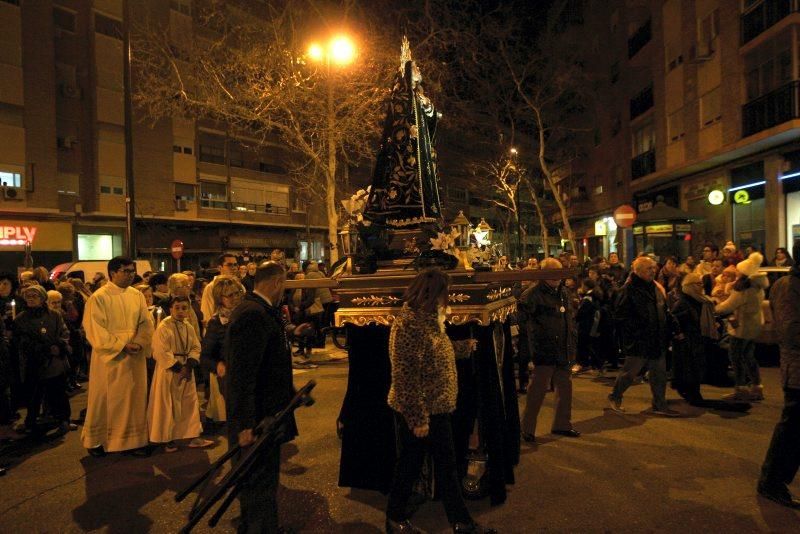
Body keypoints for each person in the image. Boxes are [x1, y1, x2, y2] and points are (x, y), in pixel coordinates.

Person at [385, 268, 492, 534]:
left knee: (425, 465)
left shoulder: (428, 318)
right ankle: (457, 522)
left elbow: (434, 353)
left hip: (434, 406)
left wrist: (462, 348)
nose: (449, 299)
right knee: (426, 466)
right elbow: (406, 376)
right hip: (424, 410)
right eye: (446, 293)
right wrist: (418, 419)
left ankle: (404, 516)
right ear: (433, 294)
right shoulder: (410, 324)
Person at [226, 261, 298, 533]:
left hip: (267, 411)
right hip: (258, 417)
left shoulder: (260, 310)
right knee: (259, 479)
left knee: (261, 477)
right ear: (277, 282)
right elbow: (242, 375)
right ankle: (260, 528)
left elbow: (268, 364)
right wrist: (245, 423)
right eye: (284, 284)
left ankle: (255, 525)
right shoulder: (252, 314)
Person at [81, 257, 154, 457]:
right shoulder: (99, 297)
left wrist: (140, 342)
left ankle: (133, 440)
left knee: (134, 398)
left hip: (135, 354)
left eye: (132, 271)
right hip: (111, 358)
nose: (131, 275)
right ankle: (97, 440)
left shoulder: (136, 295)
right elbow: (94, 328)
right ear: (113, 273)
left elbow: (146, 322)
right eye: (126, 271)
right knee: (105, 398)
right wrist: (121, 345)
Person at [608, 257, 682, 416]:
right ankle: (615, 396)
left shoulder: (655, 288)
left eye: (654, 268)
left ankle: (659, 405)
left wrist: (675, 328)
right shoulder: (629, 290)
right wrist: (633, 333)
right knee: (629, 374)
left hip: (657, 339)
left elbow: (664, 311)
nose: (653, 271)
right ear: (638, 271)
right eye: (649, 268)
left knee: (659, 375)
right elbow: (619, 317)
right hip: (639, 341)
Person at [519, 258, 580, 442]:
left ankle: (562, 424)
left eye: (559, 272)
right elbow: (523, 320)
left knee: (565, 388)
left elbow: (569, 318)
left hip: (564, 348)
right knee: (537, 391)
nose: (556, 277)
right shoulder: (532, 294)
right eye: (552, 272)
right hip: (544, 349)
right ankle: (527, 429)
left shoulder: (564, 292)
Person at [758, 243, 800, 509]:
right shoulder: (788, 286)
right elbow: (790, 331)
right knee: (792, 429)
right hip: (798, 371)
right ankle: (771, 482)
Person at [148, 295, 212, 452]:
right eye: (177, 307)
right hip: (169, 371)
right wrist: (178, 367)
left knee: (189, 403)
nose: (181, 311)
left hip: (186, 369)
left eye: (184, 308)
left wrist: (190, 364)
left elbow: (196, 347)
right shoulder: (164, 326)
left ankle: (192, 435)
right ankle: (167, 438)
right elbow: (160, 350)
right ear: (170, 308)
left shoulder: (188, 326)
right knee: (169, 404)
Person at [14, 285, 73, 435]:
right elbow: (22, 340)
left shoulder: (54, 315)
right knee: (34, 394)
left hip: (54, 361)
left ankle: (63, 419)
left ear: (42, 298)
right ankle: (31, 421)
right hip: (35, 362)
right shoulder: (21, 318)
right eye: (28, 296)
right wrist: (42, 348)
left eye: (35, 295)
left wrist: (59, 345)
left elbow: (64, 332)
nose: (31, 298)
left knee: (58, 391)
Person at [715, 252, 769, 402]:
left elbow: (728, 306)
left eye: (738, 270)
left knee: (736, 357)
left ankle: (741, 389)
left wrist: (715, 307)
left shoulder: (744, 290)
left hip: (742, 328)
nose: (736, 272)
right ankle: (757, 387)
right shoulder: (758, 286)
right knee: (749, 356)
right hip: (754, 326)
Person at [200, 275, 245, 427]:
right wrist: (218, 365)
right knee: (238, 419)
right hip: (230, 376)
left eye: (237, 293)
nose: (235, 298)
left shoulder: (247, 314)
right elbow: (206, 356)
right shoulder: (216, 323)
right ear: (220, 298)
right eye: (229, 295)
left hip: (250, 371)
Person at [670, 273, 719, 406]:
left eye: (701, 283)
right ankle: (691, 393)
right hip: (687, 342)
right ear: (690, 286)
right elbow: (673, 320)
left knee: (696, 368)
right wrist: (679, 334)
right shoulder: (683, 302)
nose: (701, 286)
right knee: (689, 369)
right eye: (698, 284)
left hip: (697, 340)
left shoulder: (700, 300)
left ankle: (692, 392)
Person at [201, 253, 240, 327]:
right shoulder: (211, 287)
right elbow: (207, 313)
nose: (234, 267)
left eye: (235, 264)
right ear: (220, 268)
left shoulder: (239, 286)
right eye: (229, 265)